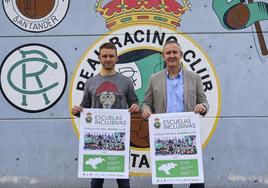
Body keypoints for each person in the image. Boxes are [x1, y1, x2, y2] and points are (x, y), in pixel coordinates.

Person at [72, 42, 140, 188]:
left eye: (111, 56)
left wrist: (136, 107)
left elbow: (135, 104)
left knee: (123, 181)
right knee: (96, 182)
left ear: (117, 58)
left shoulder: (126, 81)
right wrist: (77, 112)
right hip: (97, 141)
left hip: (119, 139)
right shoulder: (90, 83)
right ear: (99, 58)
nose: (108, 59)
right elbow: (85, 108)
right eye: (104, 56)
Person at [142, 40, 209, 188]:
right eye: (168, 53)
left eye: (175, 52)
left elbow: (204, 102)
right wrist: (146, 110)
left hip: (188, 135)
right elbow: (146, 102)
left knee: (196, 180)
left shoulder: (195, 78)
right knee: (166, 179)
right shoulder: (154, 79)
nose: (172, 55)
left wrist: (202, 107)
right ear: (163, 56)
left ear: (181, 55)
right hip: (164, 135)